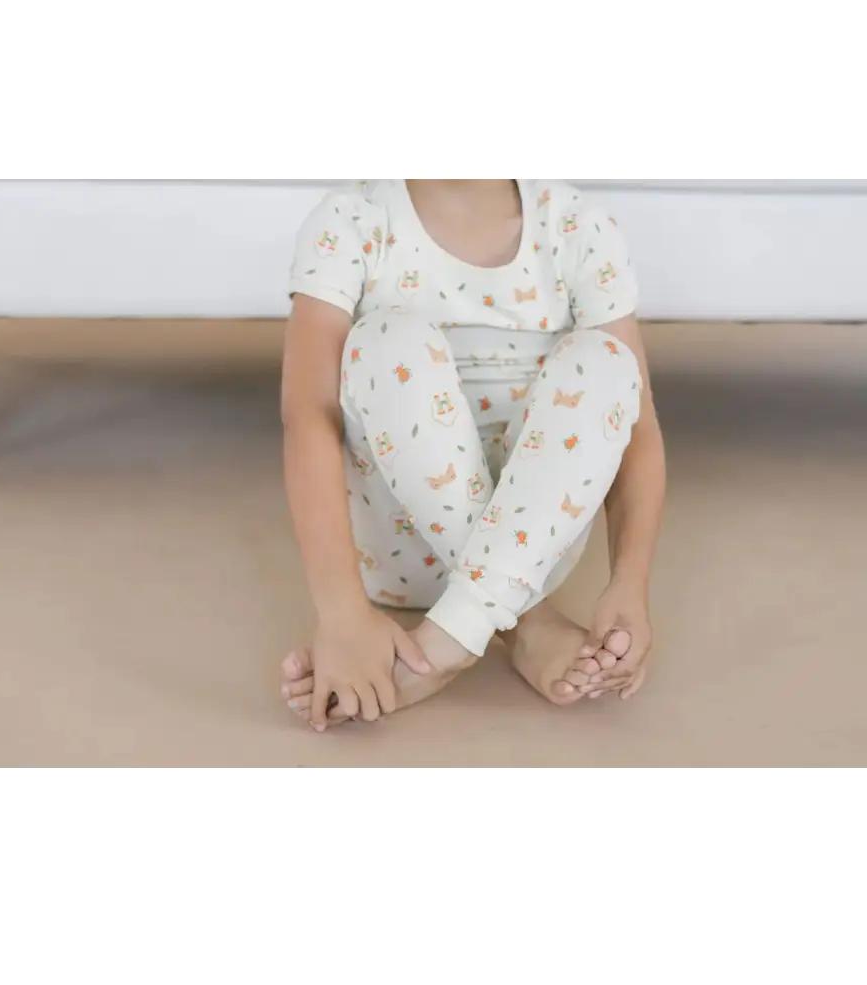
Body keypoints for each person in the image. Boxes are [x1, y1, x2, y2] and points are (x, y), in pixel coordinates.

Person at [277, 180, 666, 731]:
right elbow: (307, 415)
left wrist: (630, 581)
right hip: (393, 551)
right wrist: (341, 616)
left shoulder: (580, 226)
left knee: (608, 362)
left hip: (537, 552)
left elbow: (637, 427)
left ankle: (443, 645)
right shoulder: (352, 218)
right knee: (387, 338)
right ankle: (523, 622)